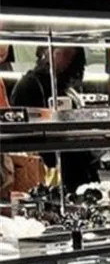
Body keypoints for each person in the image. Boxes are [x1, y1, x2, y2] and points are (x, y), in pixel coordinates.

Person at [11, 47, 100, 193]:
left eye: (70, 53)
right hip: (52, 175)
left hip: (77, 172)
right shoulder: (29, 85)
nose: (67, 58)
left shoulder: (66, 88)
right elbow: (24, 137)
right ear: (45, 53)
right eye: (62, 51)